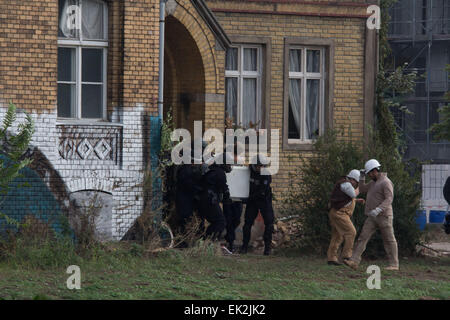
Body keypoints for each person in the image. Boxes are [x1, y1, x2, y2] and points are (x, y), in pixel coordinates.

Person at [344, 159, 399, 271]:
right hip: (372, 216)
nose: (369, 175)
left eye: (369, 173)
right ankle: (354, 261)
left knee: (389, 240)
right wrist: (362, 177)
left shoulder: (385, 182)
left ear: (375, 171)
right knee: (362, 237)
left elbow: (389, 199)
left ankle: (394, 264)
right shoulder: (374, 182)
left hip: (384, 216)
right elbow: (363, 189)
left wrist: (379, 209)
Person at [327, 169, 365, 266]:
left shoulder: (345, 183)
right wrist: (361, 187)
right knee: (351, 232)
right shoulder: (346, 184)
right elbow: (352, 194)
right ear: (352, 179)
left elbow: (346, 198)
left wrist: (355, 201)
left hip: (337, 212)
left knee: (337, 236)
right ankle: (347, 256)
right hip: (340, 213)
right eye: (356, 183)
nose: (356, 185)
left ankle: (331, 258)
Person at [240, 154, 275, 256]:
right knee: (247, 224)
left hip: (264, 200)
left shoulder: (266, 174)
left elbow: (262, 191)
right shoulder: (248, 171)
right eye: (259, 166)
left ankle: (267, 248)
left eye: (262, 166)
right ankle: (244, 246)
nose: (261, 168)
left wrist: (249, 198)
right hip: (252, 201)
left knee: (269, 223)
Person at [197, 153, 231, 241]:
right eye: (228, 163)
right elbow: (224, 188)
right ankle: (206, 241)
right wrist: (227, 199)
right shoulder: (220, 173)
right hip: (209, 201)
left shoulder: (211, 170)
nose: (229, 166)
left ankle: (204, 241)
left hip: (202, 200)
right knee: (220, 222)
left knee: (215, 222)